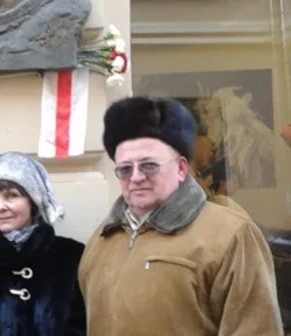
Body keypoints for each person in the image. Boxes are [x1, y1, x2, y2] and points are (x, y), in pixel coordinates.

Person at [78, 96, 283, 336]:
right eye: (125, 169)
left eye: (149, 165)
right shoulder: (101, 241)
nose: (136, 178)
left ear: (181, 168)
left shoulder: (230, 235)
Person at [0, 152, 85, 336]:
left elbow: (83, 325)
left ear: (33, 200)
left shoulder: (71, 256)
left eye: (11, 195)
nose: (0, 207)